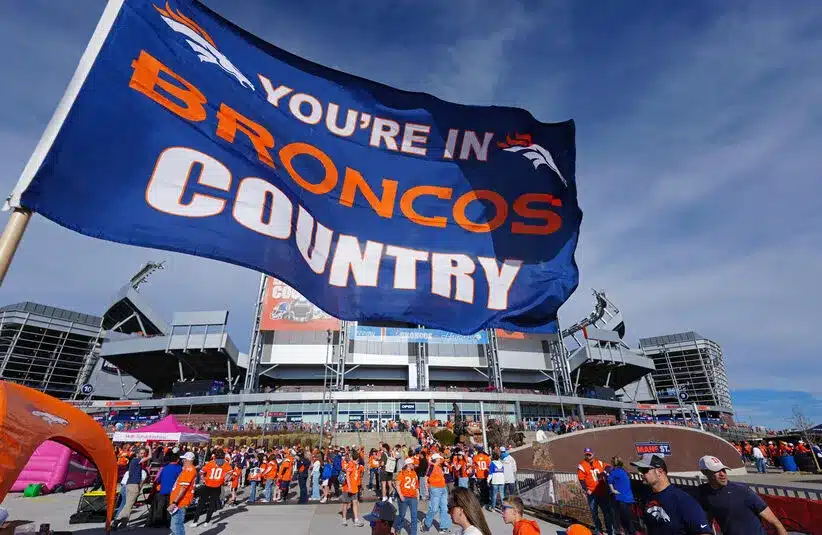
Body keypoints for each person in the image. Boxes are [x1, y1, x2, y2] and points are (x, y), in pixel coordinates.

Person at [696, 455, 787, 535]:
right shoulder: (703, 492)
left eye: (723, 470)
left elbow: (776, 523)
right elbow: (707, 521)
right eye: (716, 471)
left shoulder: (742, 491)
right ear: (704, 472)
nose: (722, 474)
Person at [631, 454, 712, 535]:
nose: (640, 474)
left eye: (644, 470)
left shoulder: (683, 500)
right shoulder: (648, 497)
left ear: (659, 471)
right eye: (639, 470)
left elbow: (704, 532)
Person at [577, 448, 614, 535]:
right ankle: (599, 531)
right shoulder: (582, 465)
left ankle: (610, 531)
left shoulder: (599, 462)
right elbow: (581, 480)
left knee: (607, 513)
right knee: (594, 514)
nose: (588, 456)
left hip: (602, 492)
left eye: (589, 454)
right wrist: (586, 489)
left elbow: (609, 467)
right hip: (592, 493)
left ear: (593, 454)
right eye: (586, 454)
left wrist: (604, 472)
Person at [191, 448, 228, 527]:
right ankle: (207, 522)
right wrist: (224, 480)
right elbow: (230, 473)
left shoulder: (211, 463)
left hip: (208, 485)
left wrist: (204, 479)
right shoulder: (225, 464)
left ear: (215, 456)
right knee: (212, 504)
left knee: (201, 503)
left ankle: (195, 521)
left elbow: (201, 472)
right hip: (217, 486)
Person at [167, 451, 197, 535]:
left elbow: (183, 488)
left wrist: (174, 502)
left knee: (176, 525)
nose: (183, 461)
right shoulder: (188, 469)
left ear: (188, 460)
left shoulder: (189, 470)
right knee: (175, 525)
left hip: (180, 502)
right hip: (180, 501)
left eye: (184, 459)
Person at [424, 453, 452, 533]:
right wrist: (426, 490)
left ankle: (443, 526)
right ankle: (426, 523)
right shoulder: (431, 466)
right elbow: (426, 478)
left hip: (443, 488)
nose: (440, 459)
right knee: (434, 508)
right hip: (435, 489)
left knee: (444, 508)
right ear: (436, 459)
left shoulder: (439, 466)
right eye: (439, 458)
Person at [606, 457, 635, 535]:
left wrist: (613, 490)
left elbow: (609, 481)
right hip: (629, 498)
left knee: (624, 522)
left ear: (613, 463)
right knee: (629, 521)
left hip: (621, 499)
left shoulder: (614, 472)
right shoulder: (625, 471)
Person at [393, 458, 419, 535]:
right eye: (412, 464)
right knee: (402, 515)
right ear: (408, 465)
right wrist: (400, 495)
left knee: (414, 516)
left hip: (413, 497)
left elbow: (416, 486)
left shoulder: (414, 473)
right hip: (404, 497)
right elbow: (397, 485)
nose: (414, 465)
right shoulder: (402, 473)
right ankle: (398, 528)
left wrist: (417, 495)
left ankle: (413, 533)